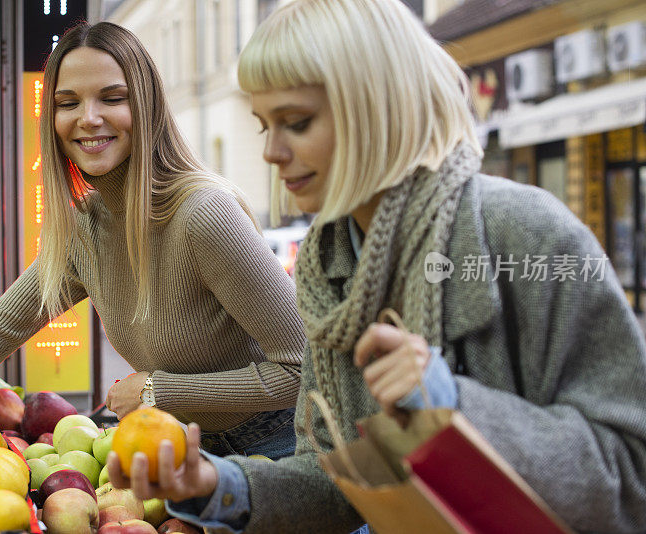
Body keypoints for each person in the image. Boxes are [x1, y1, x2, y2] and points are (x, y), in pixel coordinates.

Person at [104, 1, 646, 533]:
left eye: (296, 122)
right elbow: (337, 480)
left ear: (374, 107)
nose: (271, 151)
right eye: (264, 124)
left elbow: (630, 472)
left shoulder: (526, 232)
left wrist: (452, 405)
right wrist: (216, 485)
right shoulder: (326, 257)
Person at [0, 22, 305, 463]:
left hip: (284, 447)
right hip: (189, 450)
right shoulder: (87, 226)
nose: (88, 119)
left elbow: (301, 368)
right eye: (68, 103)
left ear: (146, 106)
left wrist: (157, 391)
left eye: (112, 97)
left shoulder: (203, 214)